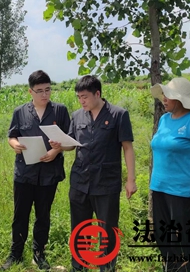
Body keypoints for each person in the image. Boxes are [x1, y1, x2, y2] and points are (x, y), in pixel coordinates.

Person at [51, 75, 137, 272]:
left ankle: (107, 267)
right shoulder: (77, 116)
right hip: (80, 181)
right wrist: (59, 145)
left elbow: (127, 148)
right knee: (80, 228)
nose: (82, 101)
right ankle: (78, 266)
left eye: (85, 97)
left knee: (107, 230)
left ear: (97, 94)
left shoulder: (118, 115)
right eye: (79, 97)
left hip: (106, 182)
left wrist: (130, 180)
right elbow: (71, 145)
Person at [0, 70, 70, 271]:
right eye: (39, 91)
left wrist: (56, 151)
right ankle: (15, 254)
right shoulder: (20, 111)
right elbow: (12, 135)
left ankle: (39, 254)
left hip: (49, 172)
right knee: (20, 214)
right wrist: (14, 144)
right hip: (24, 171)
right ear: (30, 91)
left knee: (43, 215)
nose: (44, 95)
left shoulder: (60, 111)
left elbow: (70, 139)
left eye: (48, 90)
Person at [150, 78, 190, 272]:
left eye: (168, 96)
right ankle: (172, 268)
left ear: (180, 99)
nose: (163, 99)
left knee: (183, 238)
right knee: (162, 235)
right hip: (159, 187)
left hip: (182, 191)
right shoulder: (164, 119)